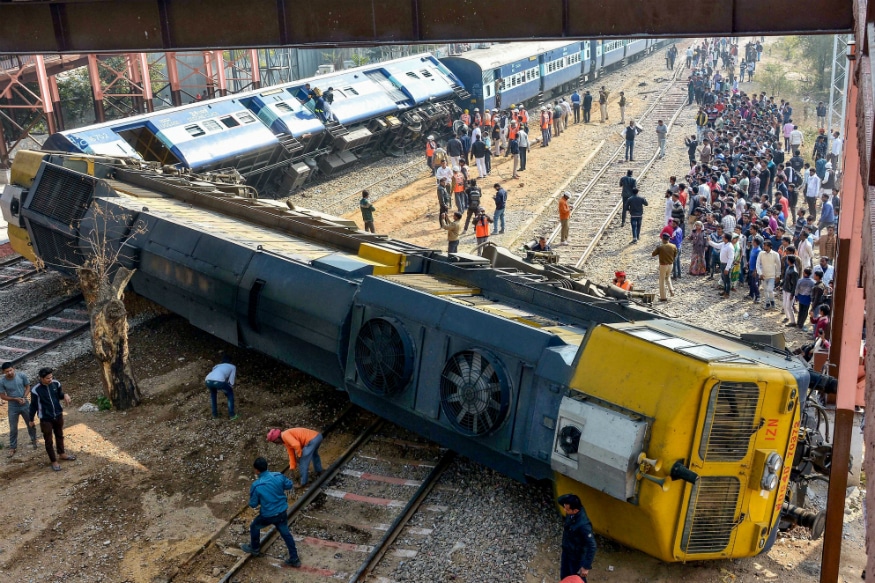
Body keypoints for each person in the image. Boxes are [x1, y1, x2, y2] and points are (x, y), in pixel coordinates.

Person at [240, 457, 302, 568]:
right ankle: (295, 558)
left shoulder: (257, 485)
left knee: (254, 526)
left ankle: (255, 549)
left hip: (268, 515)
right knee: (286, 534)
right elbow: (289, 485)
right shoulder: (278, 476)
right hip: (282, 512)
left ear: (257, 470)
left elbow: (253, 504)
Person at [28, 368, 75, 471]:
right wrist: (30, 419)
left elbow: (59, 395)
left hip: (58, 414)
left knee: (59, 435)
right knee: (48, 440)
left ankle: (62, 453)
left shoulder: (56, 383)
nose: (50, 379)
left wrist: (65, 395)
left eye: (51, 377)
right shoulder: (36, 390)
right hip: (45, 418)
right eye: (47, 378)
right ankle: (53, 461)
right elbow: (33, 405)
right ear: (41, 378)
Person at [1, 362, 38, 456]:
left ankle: (34, 440)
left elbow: (28, 387)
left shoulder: (21, 375)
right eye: (7, 371)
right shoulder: (2, 381)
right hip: (12, 406)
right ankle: (13, 447)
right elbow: (2, 396)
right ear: (3, 372)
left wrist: (24, 397)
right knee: (13, 427)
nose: (9, 372)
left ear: (14, 368)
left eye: (10, 370)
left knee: (30, 423)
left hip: (25, 404)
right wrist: (14, 399)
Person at [557, 494, 596, 582]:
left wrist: (586, 566)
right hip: (567, 552)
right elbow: (559, 500)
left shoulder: (583, 525)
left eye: (567, 509)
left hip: (577, 558)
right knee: (564, 577)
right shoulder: (571, 513)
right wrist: (570, 498)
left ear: (575, 510)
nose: (564, 510)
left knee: (577, 579)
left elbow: (592, 546)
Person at [205, 355, 238, 420]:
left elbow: (214, 374)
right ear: (230, 361)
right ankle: (232, 415)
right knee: (230, 393)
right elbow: (231, 380)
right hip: (219, 381)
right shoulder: (232, 367)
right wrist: (228, 389)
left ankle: (214, 415)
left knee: (213, 395)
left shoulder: (217, 366)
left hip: (208, 380)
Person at [652, 232, 677, 301]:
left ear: (663, 239)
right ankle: (671, 290)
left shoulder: (660, 247)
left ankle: (663, 297)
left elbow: (653, 254)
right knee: (668, 277)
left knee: (662, 280)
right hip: (670, 265)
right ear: (669, 239)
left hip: (663, 265)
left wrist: (657, 248)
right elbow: (675, 255)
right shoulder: (673, 246)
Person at [709, 232, 735, 298]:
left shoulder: (730, 247)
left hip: (726, 265)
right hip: (722, 264)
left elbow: (731, 258)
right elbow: (716, 245)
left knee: (727, 280)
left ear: (726, 239)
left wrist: (727, 268)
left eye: (723, 237)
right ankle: (725, 291)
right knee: (724, 278)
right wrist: (710, 241)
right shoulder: (724, 244)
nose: (722, 238)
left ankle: (727, 293)